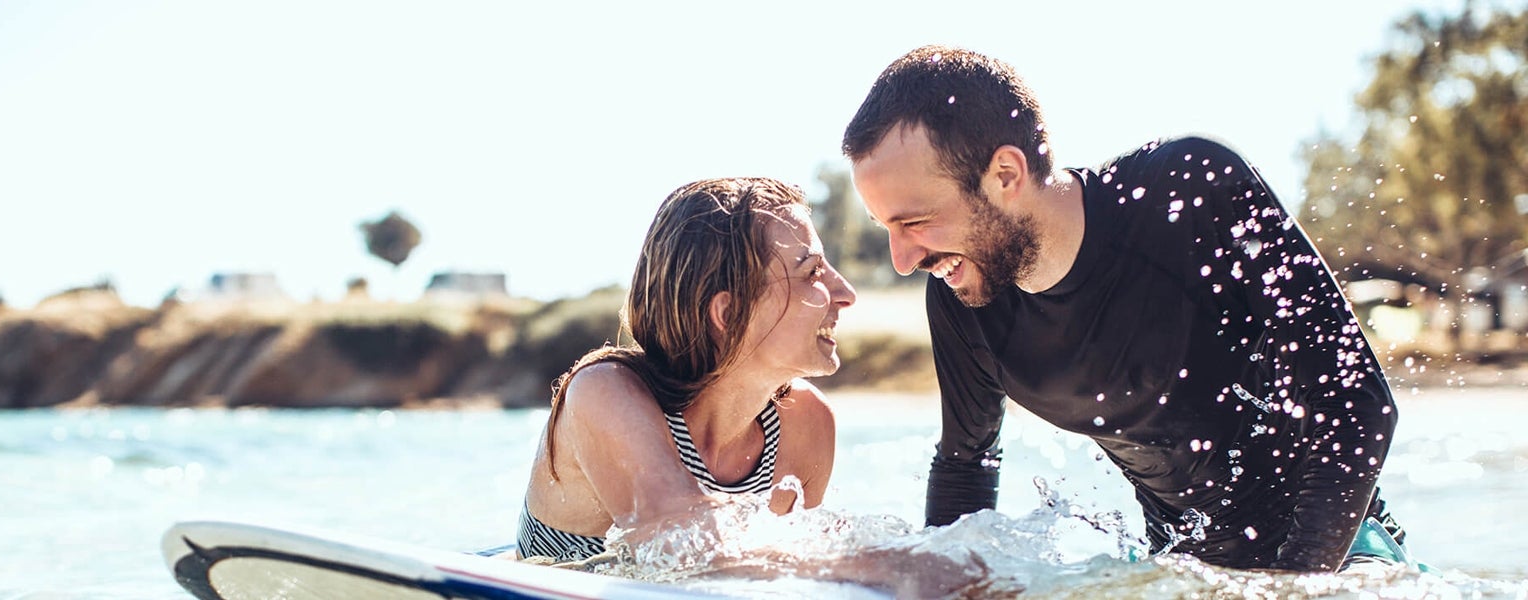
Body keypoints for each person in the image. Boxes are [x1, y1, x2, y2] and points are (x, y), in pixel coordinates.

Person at [840, 45, 1403, 572]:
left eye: (912, 222)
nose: (902, 259)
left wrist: (1294, 587)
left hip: (1341, 553)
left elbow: (1358, 403)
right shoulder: (965, 297)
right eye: (886, 228)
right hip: (1181, 571)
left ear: (1005, 175)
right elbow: (966, 466)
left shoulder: (1186, 191)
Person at [516, 177, 857, 563]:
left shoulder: (806, 424)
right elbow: (683, 548)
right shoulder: (604, 392)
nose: (845, 293)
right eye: (812, 272)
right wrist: (893, 569)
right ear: (729, 314)